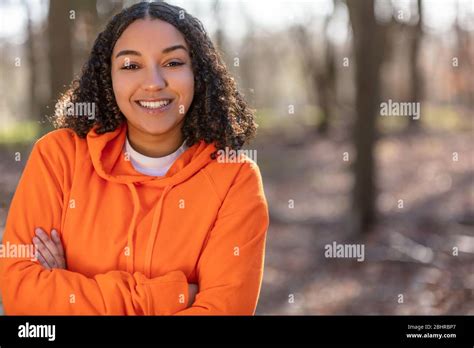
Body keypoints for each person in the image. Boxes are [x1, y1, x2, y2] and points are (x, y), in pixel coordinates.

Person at [0, 1, 269, 315]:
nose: (153, 82)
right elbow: (20, 294)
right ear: (107, 77)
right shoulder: (59, 156)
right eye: (131, 65)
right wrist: (170, 296)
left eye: (173, 62)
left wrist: (67, 288)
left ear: (199, 72)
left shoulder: (235, 179)